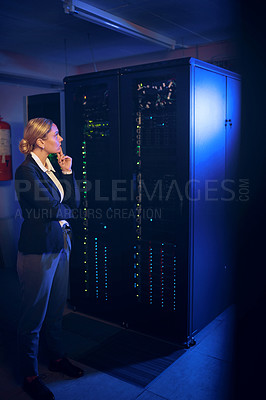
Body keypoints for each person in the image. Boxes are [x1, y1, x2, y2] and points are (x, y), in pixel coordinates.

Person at [15, 118, 83, 400]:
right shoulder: (26, 171)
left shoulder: (51, 168)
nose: (61, 139)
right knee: (33, 316)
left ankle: (56, 358)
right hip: (38, 249)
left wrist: (67, 172)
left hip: (60, 244)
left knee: (56, 311)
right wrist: (66, 209)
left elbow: (74, 202)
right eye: (56, 135)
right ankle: (30, 375)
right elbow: (53, 209)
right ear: (40, 141)